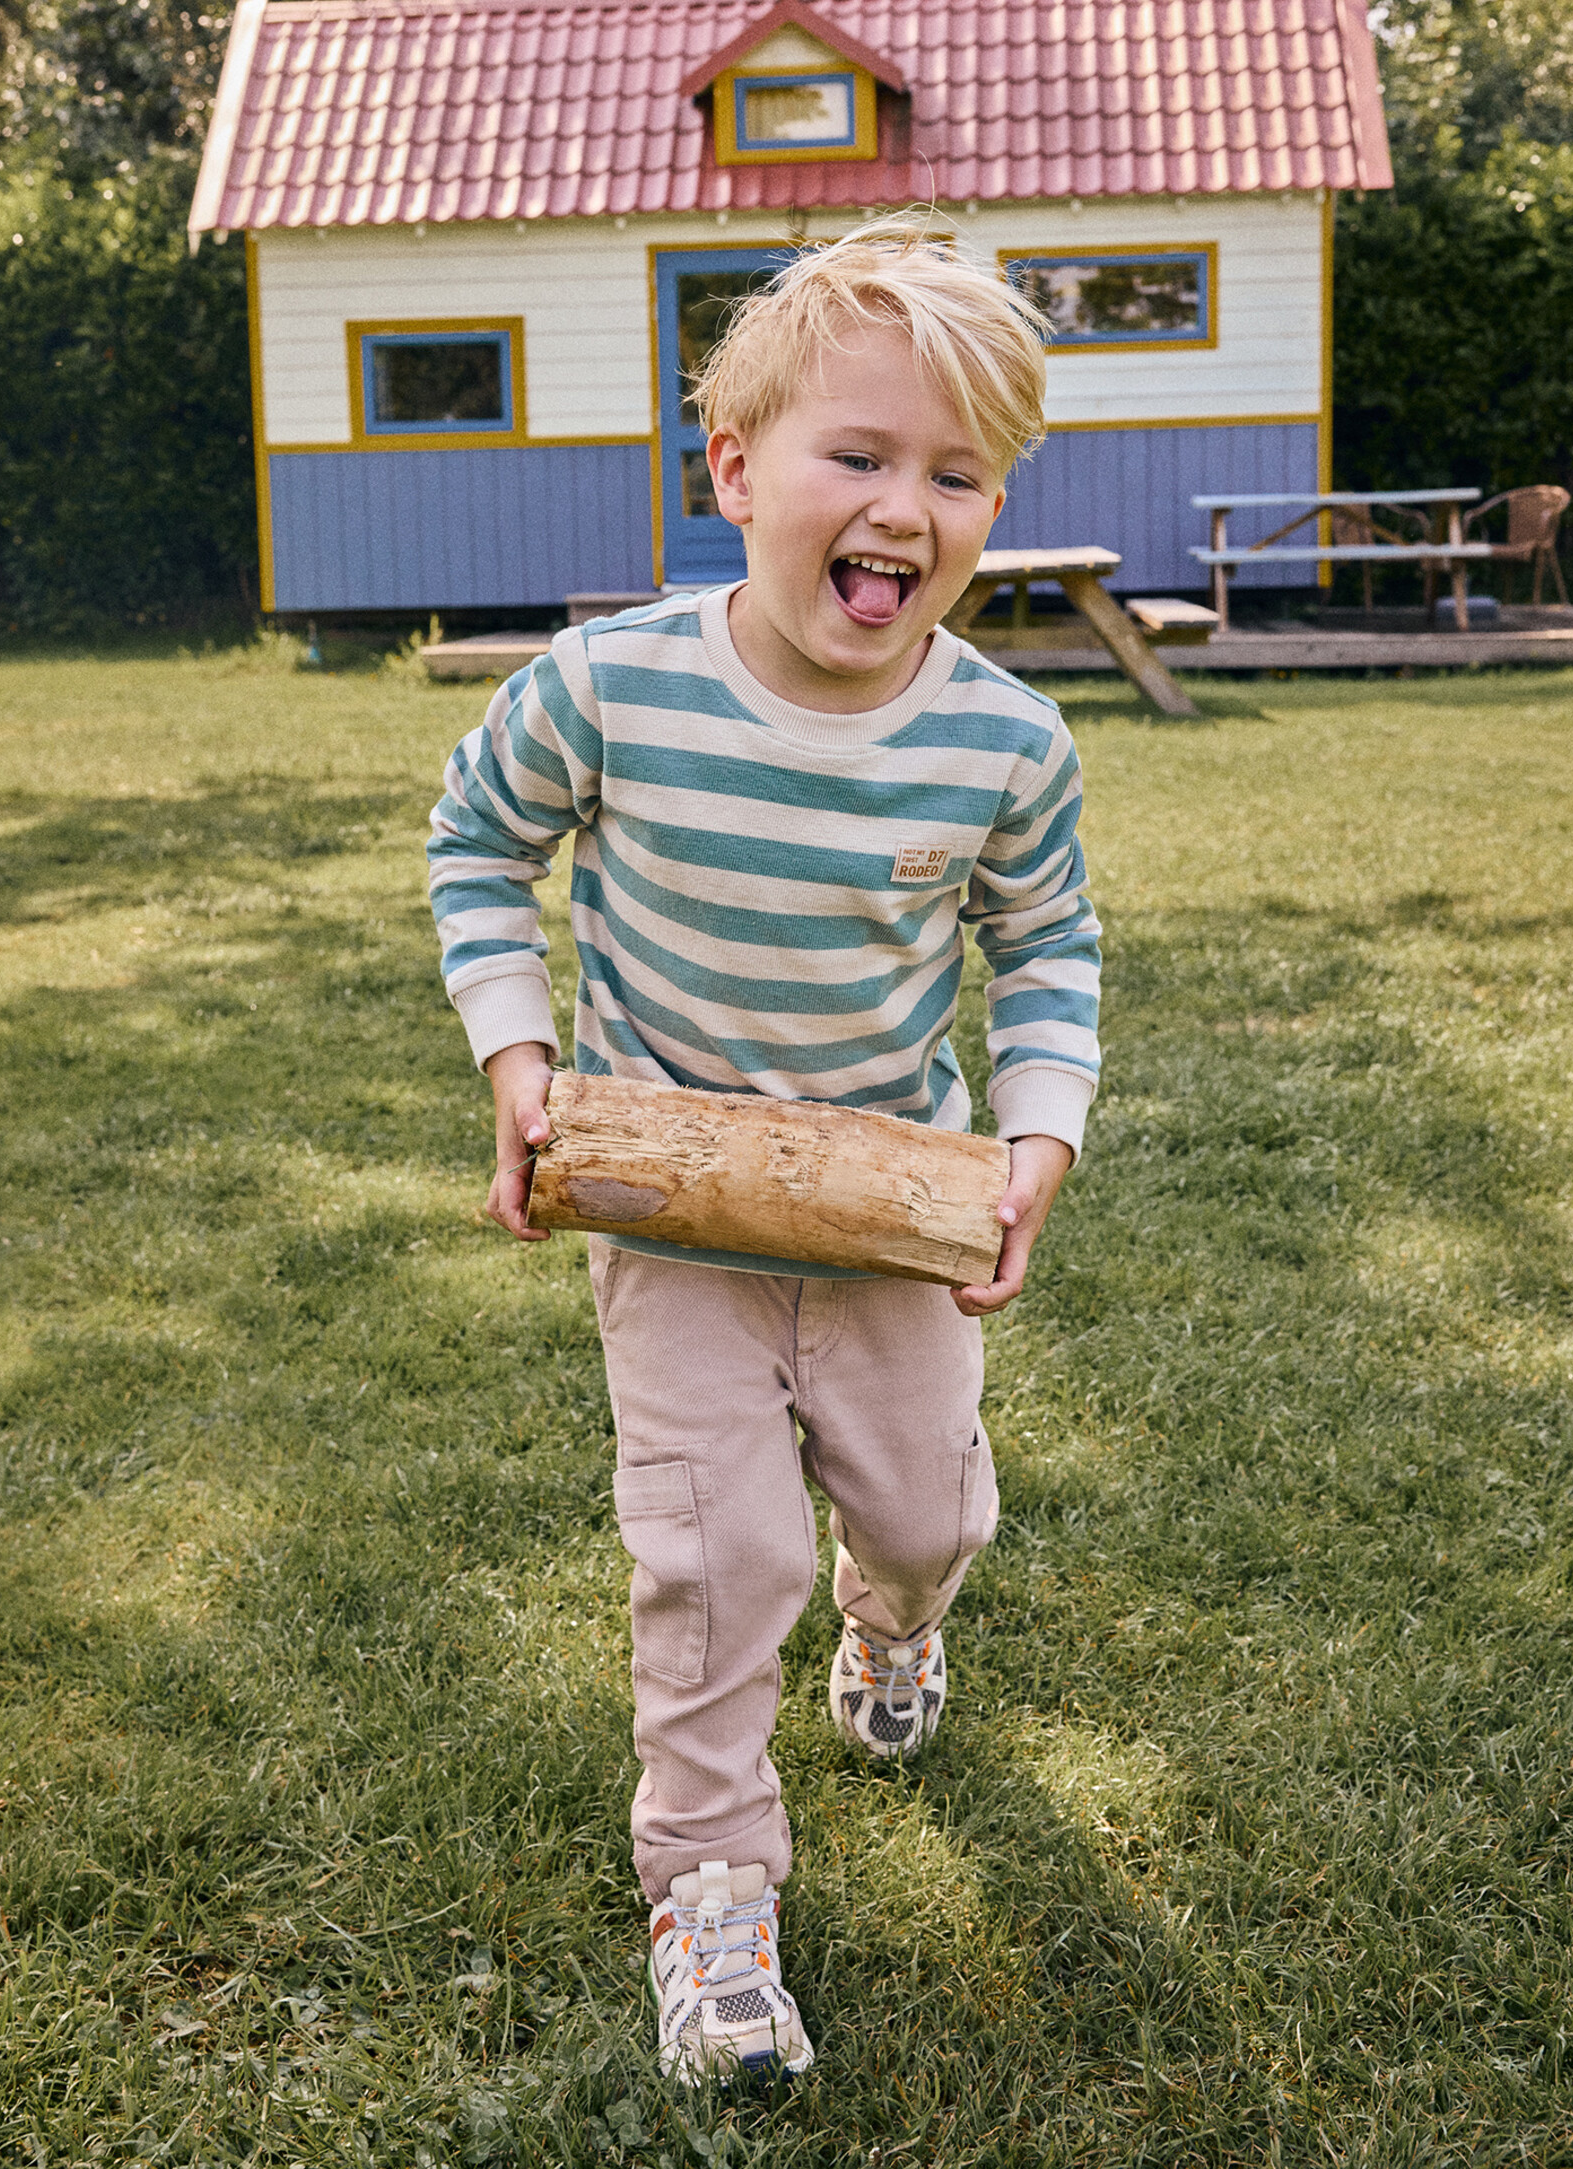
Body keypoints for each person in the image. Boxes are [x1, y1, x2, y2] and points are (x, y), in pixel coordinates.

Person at [427, 218, 1101, 2084]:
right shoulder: (613, 684)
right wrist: (519, 1050)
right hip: (667, 1208)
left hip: (895, 1215)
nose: (906, 507)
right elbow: (475, 840)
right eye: (860, 457)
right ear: (735, 471)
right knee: (713, 1553)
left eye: (956, 475)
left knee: (927, 1512)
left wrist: (1037, 1132)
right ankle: (715, 1900)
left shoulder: (1006, 741)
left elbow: (1045, 948)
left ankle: (895, 1625)